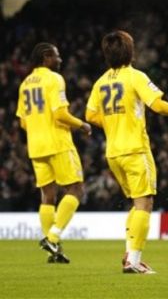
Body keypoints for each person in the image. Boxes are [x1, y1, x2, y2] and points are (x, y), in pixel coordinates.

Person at [85, 30, 168, 274]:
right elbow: (156, 104)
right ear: (130, 51)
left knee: (136, 204)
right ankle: (134, 260)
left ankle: (129, 255)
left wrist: (112, 122)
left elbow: (90, 115)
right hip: (135, 150)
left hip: (113, 153)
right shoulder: (135, 76)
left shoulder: (100, 82)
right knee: (145, 203)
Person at [16, 42, 92, 263]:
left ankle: (54, 251)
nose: (59, 60)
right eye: (57, 56)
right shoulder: (54, 78)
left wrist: (39, 127)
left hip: (36, 146)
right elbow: (60, 114)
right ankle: (52, 236)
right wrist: (81, 125)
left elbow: (22, 122)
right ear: (46, 56)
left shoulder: (24, 84)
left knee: (48, 196)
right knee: (76, 189)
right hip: (58, 143)